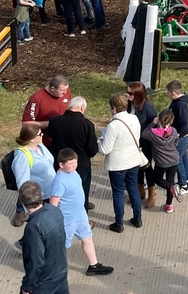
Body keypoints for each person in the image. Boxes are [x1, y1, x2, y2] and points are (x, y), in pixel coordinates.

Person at [48, 149, 113, 276]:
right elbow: (53, 204)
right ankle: (51, 270)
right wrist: (54, 221)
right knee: (60, 246)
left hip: (80, 215)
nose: (74, 165)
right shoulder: (59, 181)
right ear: (61, 164)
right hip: (67, 219)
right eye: (71, 163)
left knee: (87, 238)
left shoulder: (73, 172)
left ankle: (94, 265)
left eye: (75, 162)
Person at [97, 94, 143, 233]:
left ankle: (119, 223)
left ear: (114, 108)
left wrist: (99, 141)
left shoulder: (113, 126)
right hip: (133, 160)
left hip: (117, 164)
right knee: (133, 188)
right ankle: (137, 218)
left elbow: (105, 150)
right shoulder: (134, 118)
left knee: (117, 192)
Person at [17, 180, 69, 294]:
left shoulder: (33, 227)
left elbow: (35, 262)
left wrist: (27, 286)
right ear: (41, 195)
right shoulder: (54, 211)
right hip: (60, 275)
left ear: (22, 201)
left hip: (43, 283)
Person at [46, 97, 98, 210]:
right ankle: (82, 212)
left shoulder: (55, 121)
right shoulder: (87, 124)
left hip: (60, 162)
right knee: (82, 191)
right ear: (82, 108)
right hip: (81, 164)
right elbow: (92, 150)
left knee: (60, 189)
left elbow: (50, 136)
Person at [10, 123, 56, 228]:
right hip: (40, 196)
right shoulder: (22, 156)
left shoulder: (40, 146)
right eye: (40, 134)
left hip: (51, 191)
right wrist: (29, 205)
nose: (42, 135)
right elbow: (22, 183)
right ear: (32, 139)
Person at [165, 82, 188, 195]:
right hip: (184, 134)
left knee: (176, 159)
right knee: (183, 156)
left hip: (181, 135)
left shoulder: (180, 105)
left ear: (173, 93)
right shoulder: (178, 101)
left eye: (167, 92)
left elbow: (183, 121)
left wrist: (177, 134)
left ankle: (183, 184)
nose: (166, 94)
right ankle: (187, 179)